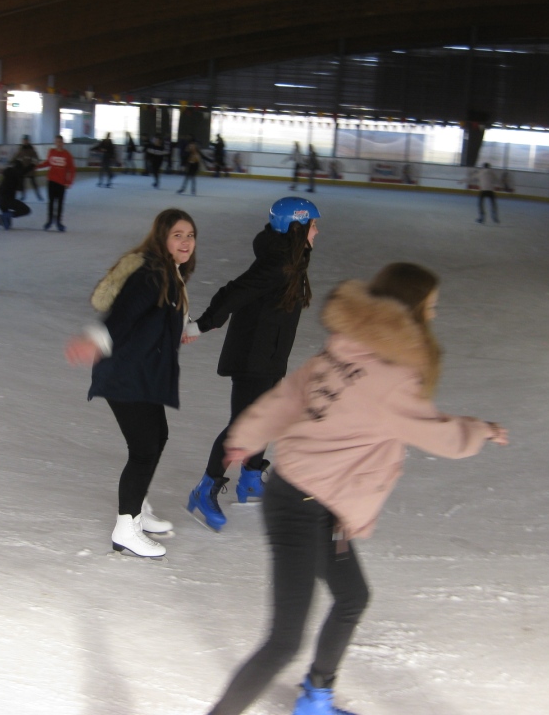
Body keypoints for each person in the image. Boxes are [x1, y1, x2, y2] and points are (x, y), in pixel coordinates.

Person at [205, 263, 509, 715]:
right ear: (411, 312)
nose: (435, 317)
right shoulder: (391, 379)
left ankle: (316, 695)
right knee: (284, 640)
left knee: (352, 597)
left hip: (320, 506)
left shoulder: (342, 350)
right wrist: (482, 430)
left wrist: (246, 436)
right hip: (301, 509)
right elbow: (441, 435)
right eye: (432, 308)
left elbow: (285, 398)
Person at [65, 209, 199, 558]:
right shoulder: (153, 272)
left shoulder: (171, 273)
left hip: (143, 372)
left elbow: (158, 315)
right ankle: (127, 527)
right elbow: (124, 312)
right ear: (162, 239)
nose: (185, 242)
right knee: (144, 449)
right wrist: (95, 339)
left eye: (190, 235)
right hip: (126, 374)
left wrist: (181, 330)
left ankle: (137, 507)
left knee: (157, 438)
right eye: (177, 235)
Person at [186, 197, 321, 531]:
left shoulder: (290, 257)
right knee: (242, 426)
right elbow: (233, 292)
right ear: (296, 226)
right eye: (313, 224)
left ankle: (249, 477)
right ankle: (205, 490)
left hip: (271, 356)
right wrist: (200, 325)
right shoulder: (277, 264)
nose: (317, 230)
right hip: (252, 358)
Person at [36, 135, 76, 232]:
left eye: (60, 142)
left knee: (60, 204)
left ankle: (58, 222)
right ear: (55, 143)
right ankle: (49, 221)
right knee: (51, 202)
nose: (58, 143)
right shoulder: (52, 152)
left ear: (63, 143)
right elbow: (48, 163)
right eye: (57, 142)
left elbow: (72, 169)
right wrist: (36, 166)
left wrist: (69, 182)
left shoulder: (67, 155)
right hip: (51, 181)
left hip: (61, 183)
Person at [0, 159, 32, 230]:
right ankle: (1, 216)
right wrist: (32, 165)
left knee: (7, 225)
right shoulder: (15, 175)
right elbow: (22, 176)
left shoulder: (7, 175)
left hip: (0, 201)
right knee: (26, 210)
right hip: (8, 200)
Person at [13, 135, 44, 202]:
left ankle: (39, 195)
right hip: (23, 169)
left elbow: (36, 157)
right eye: (24, 140)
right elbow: (16, 156)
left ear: (28, 141)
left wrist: (33, 164)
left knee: (34, 183)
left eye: (26, 140)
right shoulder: (21, 148)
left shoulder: (31, 149)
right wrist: (12, 161)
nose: (25, 141)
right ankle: (23, 196)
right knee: (22, 183)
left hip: (30, 169)